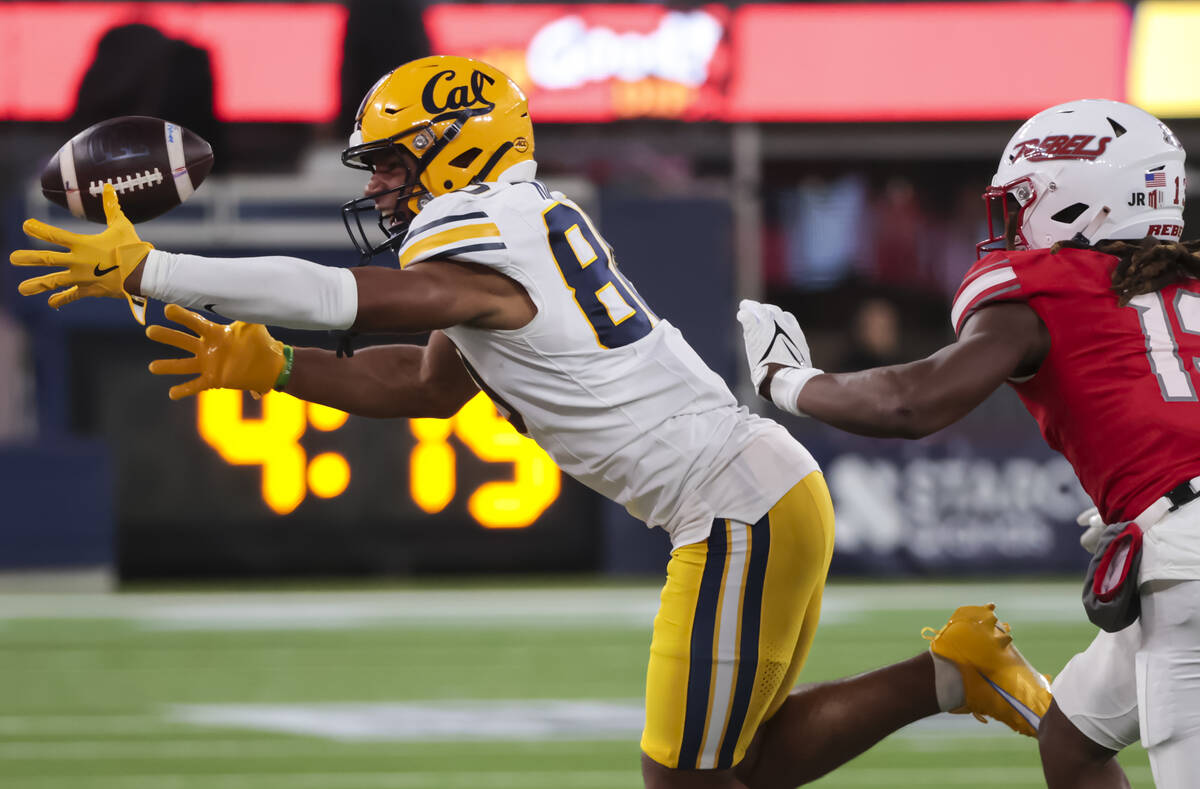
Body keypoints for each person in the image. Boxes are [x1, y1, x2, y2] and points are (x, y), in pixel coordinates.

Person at [9, 56, 1051, 788]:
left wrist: (160, 268)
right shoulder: (510, 226)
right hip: (753, 499)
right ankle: (951, 672)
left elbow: (346, 299)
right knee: (740, 767)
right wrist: (277, 369)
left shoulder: (484, 225)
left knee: (684, 781)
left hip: (738, 508)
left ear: (458, 146)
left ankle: (952, 672)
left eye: (392, 158)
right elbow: (422, 387)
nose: (377, 181)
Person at [738, 98, 1200, 788]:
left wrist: (786, 381)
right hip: (1178, 540)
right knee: (1072, 737)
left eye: (1024, 201)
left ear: (1082, 201)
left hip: (1189, 564)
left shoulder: (1046, 290)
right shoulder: (1183, 287)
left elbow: (910, 401)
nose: (1012, 220)